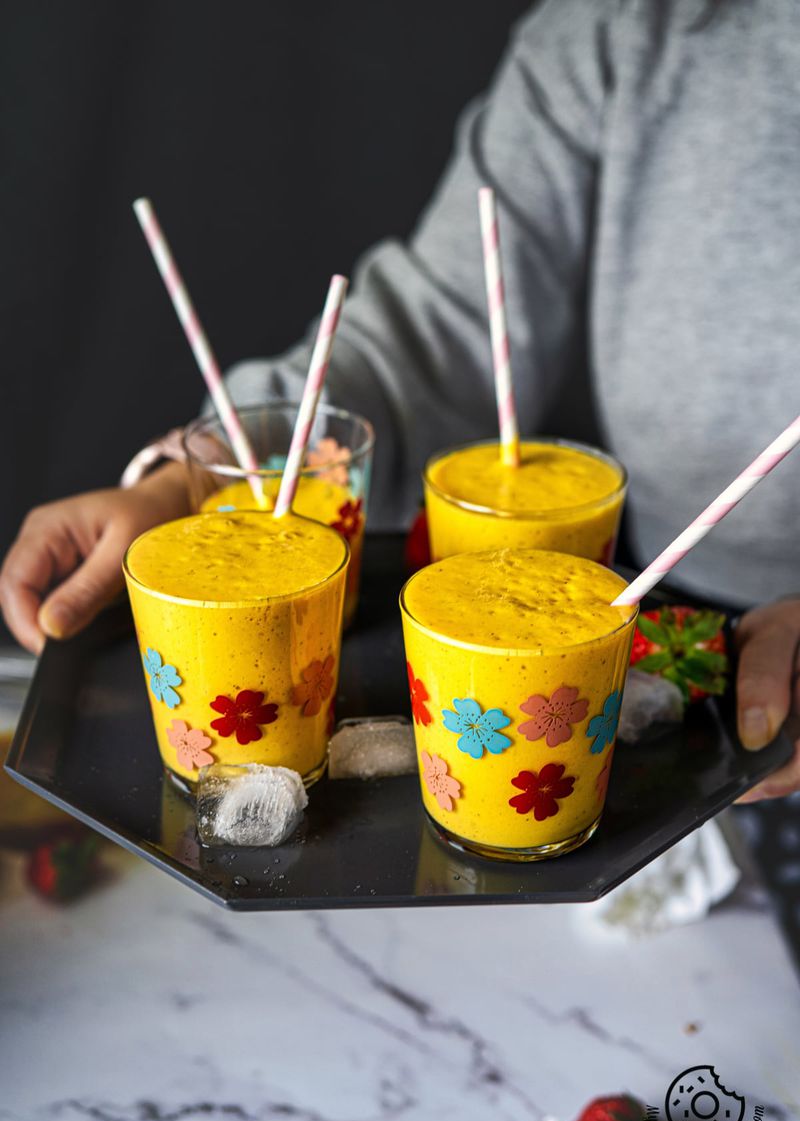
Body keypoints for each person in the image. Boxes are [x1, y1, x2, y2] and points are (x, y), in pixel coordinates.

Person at [1, 0, 799, 804]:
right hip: (655, 608)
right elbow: (438, 327)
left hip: (648, 640)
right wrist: (190, 483)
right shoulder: (627, 24)